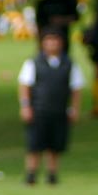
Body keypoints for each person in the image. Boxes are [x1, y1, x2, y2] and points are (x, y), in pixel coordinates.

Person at [17, 29, 83, 186]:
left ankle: (52, 174)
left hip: (59, 109)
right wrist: (25, 106)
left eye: (55, 40)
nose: (52, 44)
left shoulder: (69, 64)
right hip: (39, 108)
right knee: (35, 144)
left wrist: (74, 108)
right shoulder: (34, 63)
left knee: (55, 145)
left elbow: (76, 89)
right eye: (49, 40)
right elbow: (25, 85)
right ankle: (31, 174)